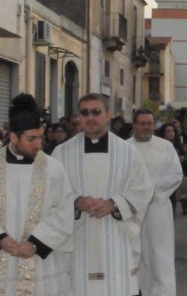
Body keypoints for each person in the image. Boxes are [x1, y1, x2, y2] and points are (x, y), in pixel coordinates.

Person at [0, 93, 74, 295]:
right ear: (13, 137)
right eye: (31, 139)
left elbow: (63, 211)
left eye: (40, 137)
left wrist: (35, 243)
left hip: (40, 260)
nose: (38, 144)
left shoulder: (55, 169)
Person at [52, 93, 154, 296]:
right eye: (85, 112)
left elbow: (143, 189)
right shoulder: (61, 153)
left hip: (116, 236)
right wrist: (76, 201)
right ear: (79, 117)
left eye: (96, 112)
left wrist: (114, 204)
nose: (91, 117)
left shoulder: (128, 152)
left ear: (108, 115)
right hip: (78, 237)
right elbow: (50, 192)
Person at [127, 108, 182, 296]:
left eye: (149, 123)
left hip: (157, 207)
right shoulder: (123, 147)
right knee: (133, 253)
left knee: (159, 255)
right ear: (135, 125)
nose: (146, 127)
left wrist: (149, 191)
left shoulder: (165, 146)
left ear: (154, 125)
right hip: (130, 209)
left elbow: (175, 174)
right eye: (142, 123)